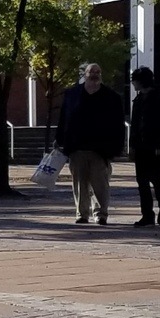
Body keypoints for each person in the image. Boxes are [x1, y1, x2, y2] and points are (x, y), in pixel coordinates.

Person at [54, 62, 125, 225]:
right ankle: (82, 214)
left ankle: (101, 214)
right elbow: (64, 119)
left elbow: (117, 124)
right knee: (79, 184)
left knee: (100, 184)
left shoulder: (111, 97)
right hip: (77, 148)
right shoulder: (72, 94)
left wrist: (116, 147)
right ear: (85, 74)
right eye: (91, 72)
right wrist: (59, 139)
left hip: (101, 150)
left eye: (97, 72)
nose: (94, 74)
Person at [129, 66, 160, 227]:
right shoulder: (138, 99)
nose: (133, 84)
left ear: (141, 81)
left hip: (155, 146)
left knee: (156, 177)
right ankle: (147, 215)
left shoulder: (159, 97)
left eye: (134, 80)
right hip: (140, 146)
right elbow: (134, 124)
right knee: (142, 181)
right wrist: (132, 145)